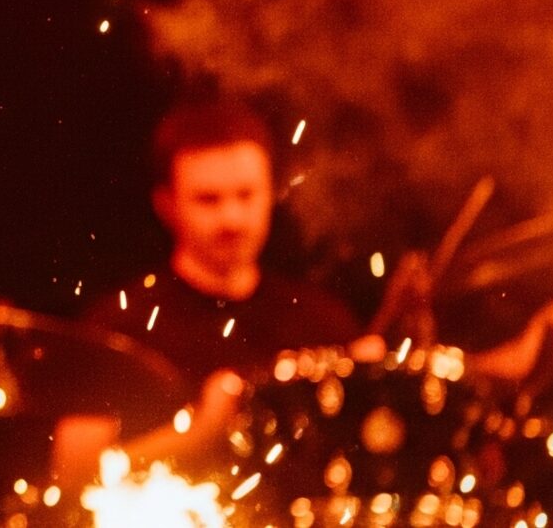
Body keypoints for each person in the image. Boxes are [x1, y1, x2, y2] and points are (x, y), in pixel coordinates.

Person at [49, 96, 360, 485]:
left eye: (246, 195)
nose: (232, 218)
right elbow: (72, 478)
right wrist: (199, 433)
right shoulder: (120, 328)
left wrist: (372, 387)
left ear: (273, 193)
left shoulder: (323, 321)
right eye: (208, 199)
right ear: (167, 205)